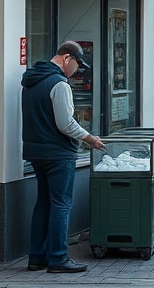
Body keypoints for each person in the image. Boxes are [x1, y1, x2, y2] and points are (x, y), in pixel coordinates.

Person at [21, 40, 105, 273]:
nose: (77, 70)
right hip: (58, 153)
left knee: (43, 203)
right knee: (61, 204)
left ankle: (37, 257)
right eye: (78, 64)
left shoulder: (30, 81)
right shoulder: (59, 84)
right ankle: (58, 258)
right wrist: (90, 138)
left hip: (35, 151)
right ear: (67, 58)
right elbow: (65, 123)